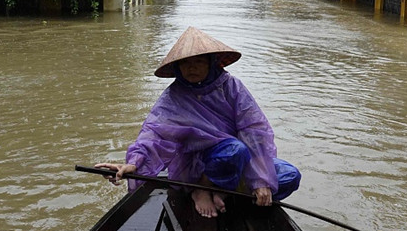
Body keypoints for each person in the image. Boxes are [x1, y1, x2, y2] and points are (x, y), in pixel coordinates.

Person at [96, 26, 301, 218]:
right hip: (198, 165)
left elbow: (254, 131)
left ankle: (224, 191)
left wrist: (261, 180)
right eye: (185, 63)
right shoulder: (174, 97)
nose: (191, 68)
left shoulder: (231, 87)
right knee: (233, 149)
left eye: (199, 62)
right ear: (177, 67)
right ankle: (202, 188)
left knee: (289, 176)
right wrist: (133, 164)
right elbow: (154, 134)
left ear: (211, 63)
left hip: (238, 162)